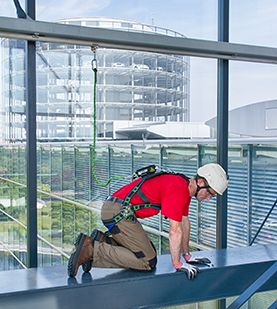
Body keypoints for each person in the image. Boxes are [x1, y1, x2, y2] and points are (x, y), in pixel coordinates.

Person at [67, 163, 228, 279]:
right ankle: (91, 250)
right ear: (201, 182)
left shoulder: (183, 187)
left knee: (148, 250)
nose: (208, 198)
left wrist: (187, 255)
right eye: (210, 193)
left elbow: (184, 222)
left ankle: (102, 240)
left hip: (118, 210)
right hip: (117, 213)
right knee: (147, 261)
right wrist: (177, 264)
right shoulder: (178, 188)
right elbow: (175, 230)